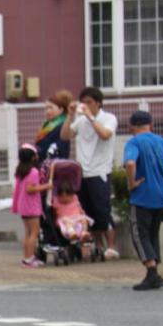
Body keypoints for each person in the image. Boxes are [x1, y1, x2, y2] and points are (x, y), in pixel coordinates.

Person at [123, 110, 163, 291]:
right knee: (152, 234)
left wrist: (131, 183)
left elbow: (129, 163)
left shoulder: (133, 142)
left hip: (142, 195)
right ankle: (155, 273)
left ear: (132, 127)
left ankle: (152, 272)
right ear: (150, 125)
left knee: (139, 234)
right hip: (160, 194)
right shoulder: (162, 141)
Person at [62, 86, 119, 259]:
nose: (85, 105)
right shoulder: (80, 120)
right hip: (82, 173)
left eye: (89, 102)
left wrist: (91, 117)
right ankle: (98, 246)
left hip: (100, 171)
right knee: (88, 213)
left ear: (98, 103)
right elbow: (65, 136)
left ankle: (111, 246)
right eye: (83, 102)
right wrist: (70, 115)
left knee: (103, 211)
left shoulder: (108, 118)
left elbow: (104, 135)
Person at [11, 144, 52, 267]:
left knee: (28, 233)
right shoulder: (33, 171)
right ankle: (30, 259)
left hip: (23, 206)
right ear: (32, 157)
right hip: (32, 207)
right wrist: (47, 186)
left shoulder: (20, 170)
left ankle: (27, 258)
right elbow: (30, 189)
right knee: (34, 233)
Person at [34, 90, 72, 163]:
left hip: (55, 165)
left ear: (61, 109)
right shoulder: (47, 125)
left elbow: (60, 148)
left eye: (51, 108)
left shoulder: (62, 125)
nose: (47, 111)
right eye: (46, 108)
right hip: (43, 164)